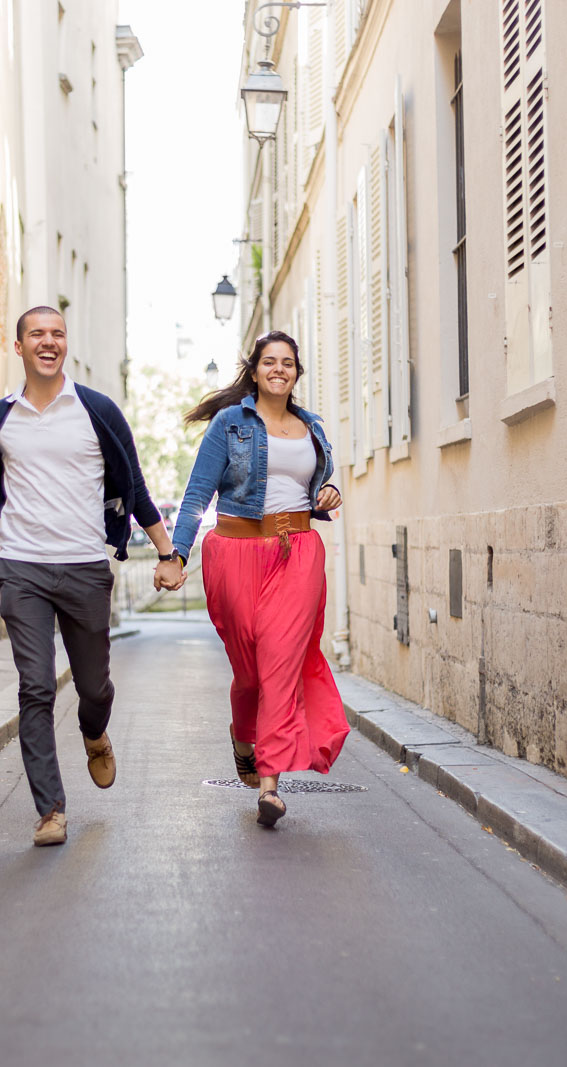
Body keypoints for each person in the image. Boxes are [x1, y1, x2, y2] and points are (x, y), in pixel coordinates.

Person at [0, 306, 180, 847]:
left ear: (65, 344)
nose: (47, 342)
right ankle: (50, 809)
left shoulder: (97, 411)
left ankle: (94, 732)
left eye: (56, 334)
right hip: (23, 568)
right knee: (35, 686)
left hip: (84, 568)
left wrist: (168, 555)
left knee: (94, 687)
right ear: (19, 345)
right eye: (37, 334)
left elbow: (137, 488)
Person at [154, 330, 347, 828]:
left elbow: (316, 481)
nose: (278, 369)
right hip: (236, 551)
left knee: (281, 660)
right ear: (255, 370)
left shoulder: (312, 428)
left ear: (297, 373)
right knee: (251, 669)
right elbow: (198, 492)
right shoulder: (230, 424)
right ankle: (244, 734)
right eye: (269, 362)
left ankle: (270, 781)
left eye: (287, 363)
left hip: (298, 550)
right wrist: (175, 554)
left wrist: (328, 492)